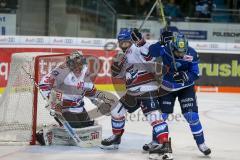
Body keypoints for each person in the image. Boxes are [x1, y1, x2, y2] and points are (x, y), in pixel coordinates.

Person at [101, 28, 173, 160]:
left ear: (131, 41)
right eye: (121, 43)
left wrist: (142, 41)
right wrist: (117, 70)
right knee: (117, 111)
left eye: (126, 42)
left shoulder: (137, 48)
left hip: (146, 90)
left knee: (154, 118)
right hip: (133, 92)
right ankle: (116, 138)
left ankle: (165, 145)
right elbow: (123, 75)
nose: (123, 45)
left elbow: (150, 53)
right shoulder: (124, 55)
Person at [146, 32, 211, 158]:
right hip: (167, 87)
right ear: (173, 47)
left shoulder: (191, 53)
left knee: (191, 116)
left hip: (186, 88)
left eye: (183, 52)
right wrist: (160, 42)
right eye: (178, 52)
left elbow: (195, 73)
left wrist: (185, 76)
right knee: (161, 116)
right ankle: (155, 142)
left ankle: (201, 143)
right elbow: (151, 53)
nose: (181, 54)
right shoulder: (165, 49)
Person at [36, 50, 113, 146]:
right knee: (75, 127)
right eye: (74, 64)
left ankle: (61, 127)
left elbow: (90, 91)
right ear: (69, 64)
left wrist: (100, 104)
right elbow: (44, 84)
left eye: (80, 64)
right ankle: (44, 133)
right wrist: (52, 101)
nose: (77, 67)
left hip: (79, 107)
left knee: (88, 126)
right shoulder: (61, 71)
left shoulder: (85, 73)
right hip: (63, 108)